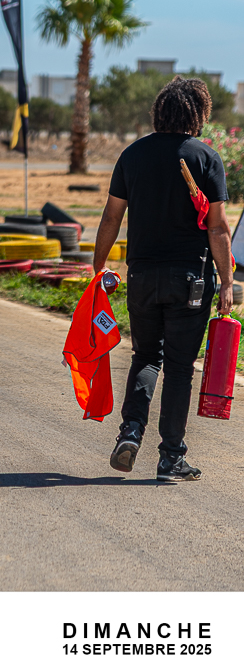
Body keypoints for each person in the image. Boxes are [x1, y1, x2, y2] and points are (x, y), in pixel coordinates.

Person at [93, 76, 233, 482]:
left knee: (145, 356)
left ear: (160, 111)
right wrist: (226, 282)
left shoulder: (132, 155)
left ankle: (130, 433)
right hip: (190, 280)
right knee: (179, 367)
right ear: (198, 113)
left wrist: (98, 268)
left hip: (141, 276)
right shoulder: (205, 158)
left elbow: (111, 217)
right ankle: (170, 457)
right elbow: (218, 227)